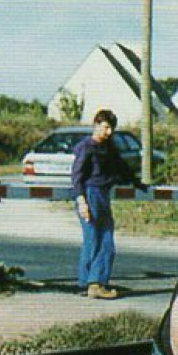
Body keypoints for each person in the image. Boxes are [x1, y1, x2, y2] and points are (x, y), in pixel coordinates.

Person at [71, 109, 137, 299]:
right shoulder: (86, 147)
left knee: (101, 240)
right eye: (106, 127)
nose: (109, 132)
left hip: (102, 194)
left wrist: (137, 183)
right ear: (96, 125)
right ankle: (95, 283)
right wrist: (82, 202)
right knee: (98, 240)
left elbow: (122, 167)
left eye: (111, 129)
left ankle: (90, 282)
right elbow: (77, 177)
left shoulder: (108, 148)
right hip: (91, 195)